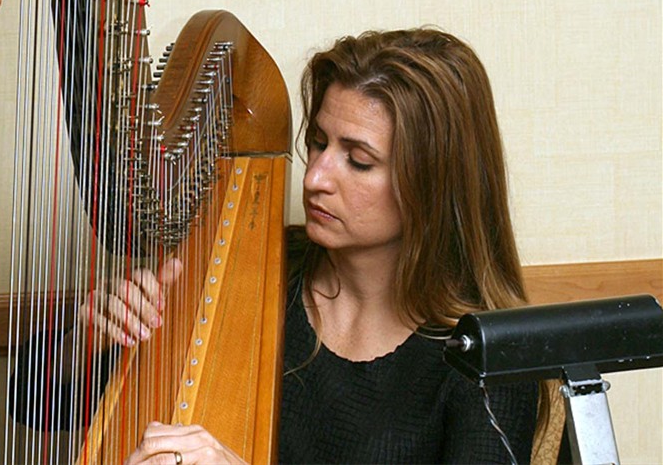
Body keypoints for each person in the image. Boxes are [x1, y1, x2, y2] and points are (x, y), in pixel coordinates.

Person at [115, 28, 543, 464]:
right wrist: (93, 344)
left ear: (433, 183)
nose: (314, 177)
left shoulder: (488, 360)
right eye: (319, 142)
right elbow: (78, 409)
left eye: (358, 161)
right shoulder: (254, 272)